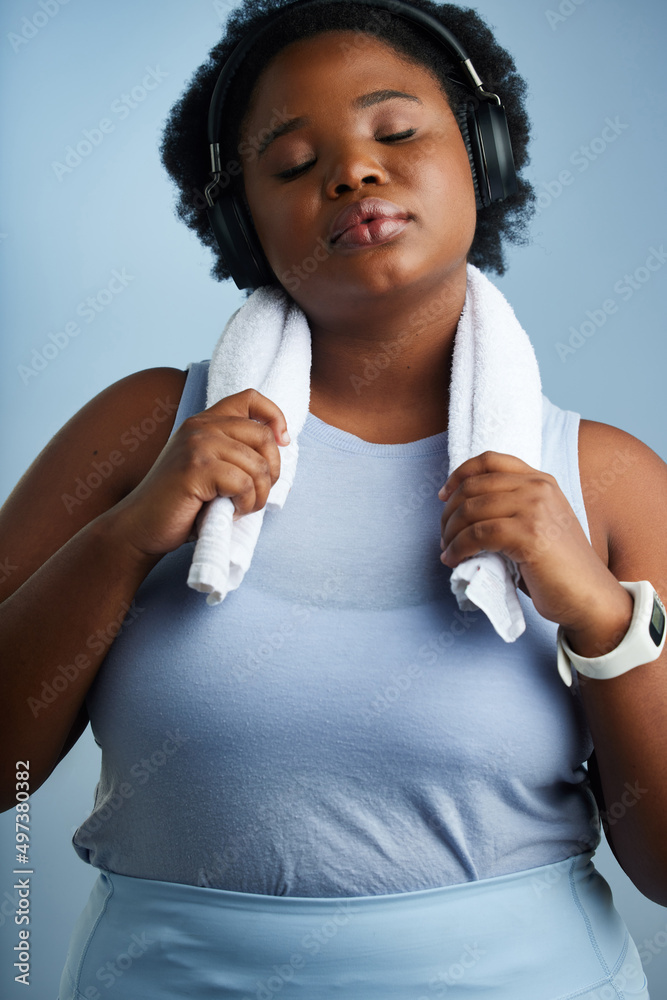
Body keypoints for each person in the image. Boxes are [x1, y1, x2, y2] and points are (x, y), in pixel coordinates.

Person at [0, 0, 664, 996]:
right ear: (240, 219)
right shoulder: (143, 432)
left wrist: (605, 620)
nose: (353, 173)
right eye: (293, 164)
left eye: (396, 133)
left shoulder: (605, 478)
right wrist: (125, 538)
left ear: (478, 153)